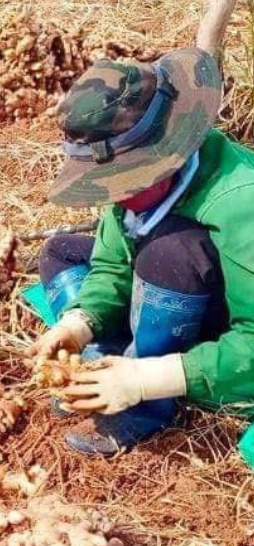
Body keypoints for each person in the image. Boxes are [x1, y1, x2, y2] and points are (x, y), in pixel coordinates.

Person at [32, 46, 254, 456]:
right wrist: (79, 323)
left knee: (168, 253)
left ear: (167, 155)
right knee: (61, 252)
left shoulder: (243, 203)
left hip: (229, 327)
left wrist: (148, 380)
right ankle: (104, 361)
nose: (118, 195)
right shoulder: (133, 191)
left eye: (128, 181)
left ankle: (148, 403)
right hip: (173, 291)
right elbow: (112, 265)